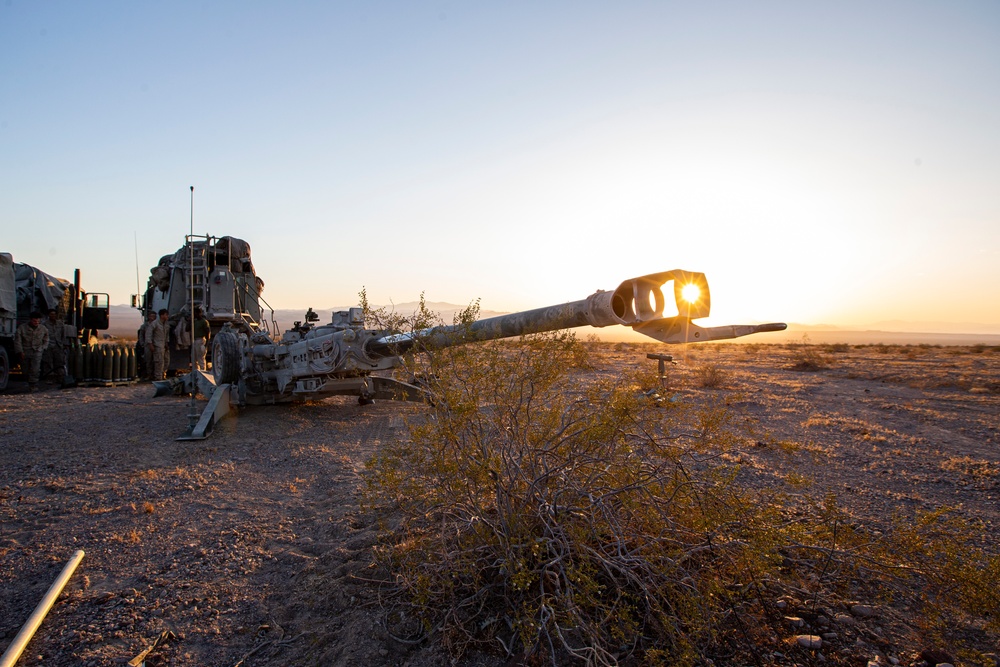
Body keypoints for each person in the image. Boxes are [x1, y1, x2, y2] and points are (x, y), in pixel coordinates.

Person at [14, 312, 49, 392]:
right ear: (30, 320)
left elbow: (46, 338)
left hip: (37, 351)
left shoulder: (43, 328)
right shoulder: (22, 328)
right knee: (25, 369)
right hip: (25, 350)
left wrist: (43, 347)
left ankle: (33, 385)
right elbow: (18, 341)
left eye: (38, 321)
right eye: (34, 321)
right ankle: (27, 381)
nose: (36, 323)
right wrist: (20, 351)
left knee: (35, 369)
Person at [43, 308, 68, 385]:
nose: (53, 316)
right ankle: (49, 378)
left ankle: (60, 378)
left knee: (60, 362)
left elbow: (63, 335)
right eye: (51, 314)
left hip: (58, 346)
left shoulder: (60, 324)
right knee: (48, 363)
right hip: (48, 346)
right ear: (48, 315)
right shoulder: (45, 324)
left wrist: (64, 344)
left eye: (54, 314)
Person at [149, 309, 170, 380]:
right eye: (166, 315)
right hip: (157, 345)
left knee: (166, 360)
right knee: (159, 362)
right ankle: (158, 377)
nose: (167, 316)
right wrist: (150, 344)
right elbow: (149, 334)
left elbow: (167, 335)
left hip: (164, 345)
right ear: (161, 315)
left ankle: (163, 374)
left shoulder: (166, 324)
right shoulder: (155, 324)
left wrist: (167, 342)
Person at [138, 311, 157, 379]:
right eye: (151, 316)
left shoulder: (157, 325)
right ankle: (149, 374)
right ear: (148, 317)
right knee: (148, 360)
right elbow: (141, 335)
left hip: (156, 344)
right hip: (147, 345)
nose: (152, 318)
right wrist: (142, 344)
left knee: (157, 360)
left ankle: (156, 374)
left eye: (154, 316)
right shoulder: (144, 326)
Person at [192, 306, 210, 371]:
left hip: (201, 340)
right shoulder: (195, 321)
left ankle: (203, 372)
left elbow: (208, 333)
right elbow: (187, 329)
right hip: (195, 340)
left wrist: (206, 345)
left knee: (201, 359)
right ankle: (196, 373)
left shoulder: (204, 322)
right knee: (194, 359)